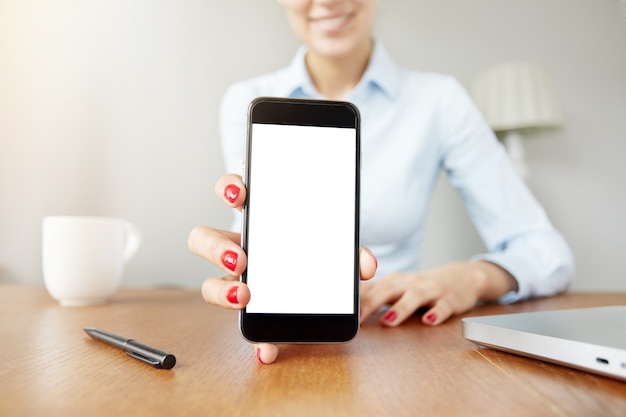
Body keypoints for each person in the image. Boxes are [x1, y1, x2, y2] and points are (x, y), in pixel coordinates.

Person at [188, 0, 575, 364]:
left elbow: (548, 253)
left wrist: (472, 278)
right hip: (280, 340)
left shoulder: (440, 100)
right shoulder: (247, 100)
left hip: (404, 344)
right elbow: (254, 238)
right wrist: (240, 262)